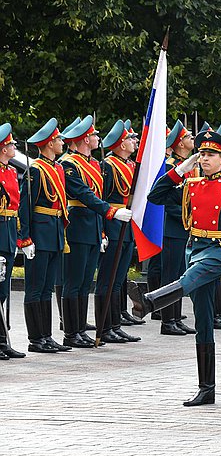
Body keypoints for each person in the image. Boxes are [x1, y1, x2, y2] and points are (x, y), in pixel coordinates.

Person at [129, 130, 221, 406]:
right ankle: (206, 388)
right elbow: (155, 195)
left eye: (211, 155)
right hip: (196, 249)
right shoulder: (191, 185)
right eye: (202, 154)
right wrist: (179, 170)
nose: (205, 159)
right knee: (203, 320)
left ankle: (150, 302)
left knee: (190, 278)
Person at [60, 115, 135, 347]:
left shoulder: (92, 164)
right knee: (74, 282)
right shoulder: (69, 164)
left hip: (94, 224)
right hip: (79, 224)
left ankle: (82, 330)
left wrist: (102, 229)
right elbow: (84, 195)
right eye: (93, 135)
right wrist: (110, 214)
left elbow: (98, 196)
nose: (96, 138)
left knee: (85, 282)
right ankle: (71, 332)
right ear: (84, 139)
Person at [20, 118, 69, 353]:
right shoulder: (36, 169)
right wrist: (26, 238)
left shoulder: (57, 167)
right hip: (40, 233)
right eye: (58, 139)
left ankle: (47, 336)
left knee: (47, 288)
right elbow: (25, 206)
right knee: (35, 287)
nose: (61, 142)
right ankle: (35, 338)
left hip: (55, 231)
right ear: (50, 143)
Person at [94, 120, 142, 344]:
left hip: (127, 225)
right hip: (113, 224)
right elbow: (100, 200)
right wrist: (103, 231)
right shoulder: (108, 166)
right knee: (107, 280)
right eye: (130, 139)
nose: (134, 142)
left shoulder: (131, 165)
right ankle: (104, 328)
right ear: (121, 144)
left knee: (118, 280)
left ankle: (115, 325)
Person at [158, 121, 197, 336]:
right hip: (173, 225)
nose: (192, 139)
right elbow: (167, 200)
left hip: (184, 226)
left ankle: (175, 317)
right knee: (170, 275)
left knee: (180, 275)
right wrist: (187, 216)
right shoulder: (170, 166)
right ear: (180, 143)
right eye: (189, 136)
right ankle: (167, 321)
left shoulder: (189, 164)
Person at [0, 123, 25, 359]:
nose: (13, 147)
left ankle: (3, 340)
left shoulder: (9, 171)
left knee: (4, 291)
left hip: (8, 234)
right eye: (10, 144)